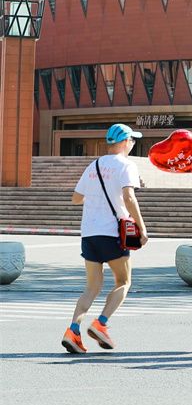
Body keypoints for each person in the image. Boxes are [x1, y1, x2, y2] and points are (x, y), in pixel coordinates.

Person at [61, 123, 149, 353]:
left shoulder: (94, 165)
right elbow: (129, 197)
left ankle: (73, 330)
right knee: (124, 281)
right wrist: (142, 227)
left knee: (91, 287)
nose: (133, 144)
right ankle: (101, 323)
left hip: (89, 233)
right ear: (124, 141)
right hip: (112, 233)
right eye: (132, 140)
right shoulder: (126, 165)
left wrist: (97, 196)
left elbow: (76, 198)